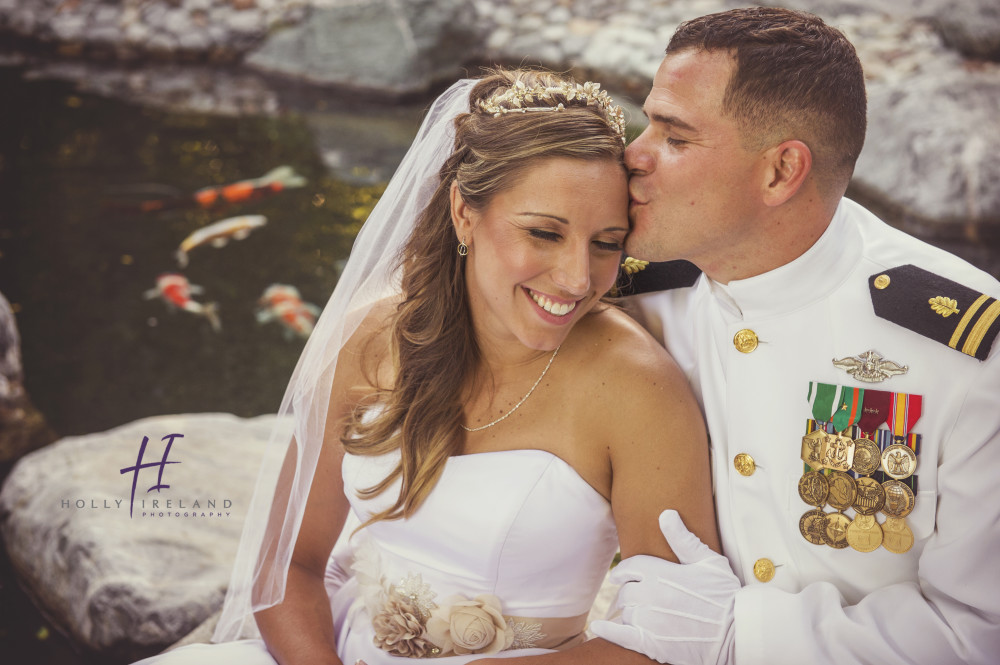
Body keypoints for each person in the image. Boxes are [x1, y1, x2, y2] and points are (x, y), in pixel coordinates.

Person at [132, 68, 718, 665]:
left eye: (605, 243)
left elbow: (666, 639)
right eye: (544, 233)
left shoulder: (636, 387)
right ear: (465, 211)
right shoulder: (371, 339)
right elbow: (290, 566)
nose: (577, 279)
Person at [581, 7, 1000, 665]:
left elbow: (979, 632)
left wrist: (741, 633)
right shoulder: (637, 290)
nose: (633, 155)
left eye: (675, 136)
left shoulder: (964, 350)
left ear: (780, 171)